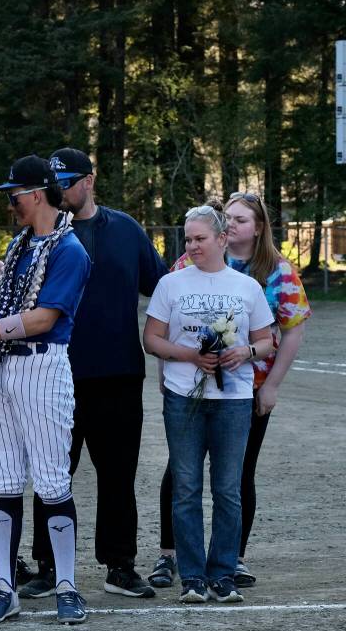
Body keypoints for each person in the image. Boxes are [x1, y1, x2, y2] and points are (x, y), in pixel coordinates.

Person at [0, 155, 91, 625]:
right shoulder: (23, 245)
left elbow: (44, 318)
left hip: (42, 368)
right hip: (2, 371)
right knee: (2, 482)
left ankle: (66, 584)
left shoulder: (69, 250)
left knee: (50, 481)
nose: (11, 203)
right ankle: (5, 585)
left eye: (15, 195)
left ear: (37, 194)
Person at [21, 148, 168, 600]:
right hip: (53, 372)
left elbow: (163, 287)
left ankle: (119, 565)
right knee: (52, 473)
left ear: (89, 180)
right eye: (55, 182)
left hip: (118, 375)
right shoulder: (38, 236)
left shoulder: (126, 230)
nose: (60, 189)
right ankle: (48, 565)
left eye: (67, 180)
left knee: (118, 475)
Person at [148, 193, 310, 591]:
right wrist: (174, 368)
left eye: (240, 219)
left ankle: (228, 565)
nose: (193, 245)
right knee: (184, 480)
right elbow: (158, 334)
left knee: (233, 482)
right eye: (189, 239)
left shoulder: (271, 274)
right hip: (186, 393)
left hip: (242, 393)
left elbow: (284, 333)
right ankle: (182, 565)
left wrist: (264, 378)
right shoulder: (180, 272)